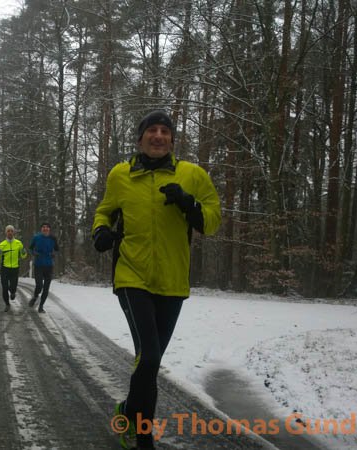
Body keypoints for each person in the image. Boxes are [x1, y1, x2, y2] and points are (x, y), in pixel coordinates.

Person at [92, 110, 221, 449]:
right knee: (148, 357)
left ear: (172, 140)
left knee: (150, 363)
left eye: (165, 131)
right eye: (152, 130)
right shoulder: (121, 175)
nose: (159, 136)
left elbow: (212, 221)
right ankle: (143, 437)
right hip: (131, 275)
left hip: (173, 280)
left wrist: (188, 203)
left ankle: (127, 412)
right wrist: (100, 231)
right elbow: (104, 211)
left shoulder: (192, 174)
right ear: (140, 138)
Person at [0, 225, 28, 312]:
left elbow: (23, 256)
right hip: (4, 269)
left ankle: (13, 292)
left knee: (13, 287)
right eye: (8, 231)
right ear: (6, 233)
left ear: (14, 233)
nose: (10, 233)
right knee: (5, 288)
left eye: (11, 231)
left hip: (15, 269)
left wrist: (24, 252)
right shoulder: (2, 244)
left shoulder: (18, 243)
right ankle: (7, 304)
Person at [28, 221, 59, 313]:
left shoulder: (53, 238)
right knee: (39, 285)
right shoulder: (36, 237)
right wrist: (34, 253)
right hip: (38, 265)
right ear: (41, 229)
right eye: (43, 227)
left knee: (46, 288)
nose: (45, 228)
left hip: (49, 265)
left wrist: (54, 253)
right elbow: (30, 248)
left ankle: (41, 306)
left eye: (47, 227)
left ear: (49, 229)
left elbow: (57, 249)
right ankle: (35, 296)